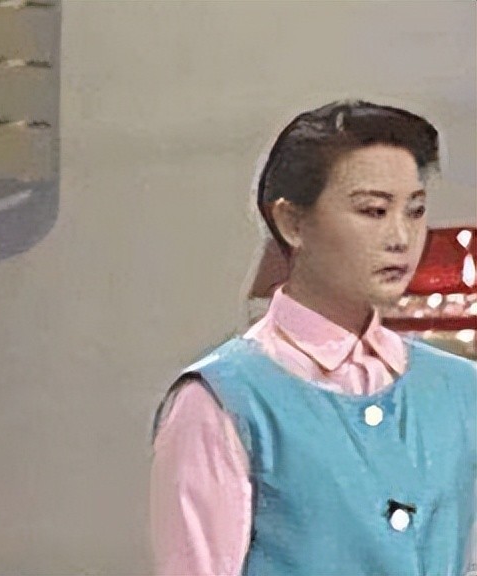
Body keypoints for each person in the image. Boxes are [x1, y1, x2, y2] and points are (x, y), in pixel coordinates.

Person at [149, 101, 476, 575]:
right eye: (374, 210)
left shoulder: (459, 388)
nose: (401, 237)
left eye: (415, 211)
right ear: (292, 223)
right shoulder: (223, 400)